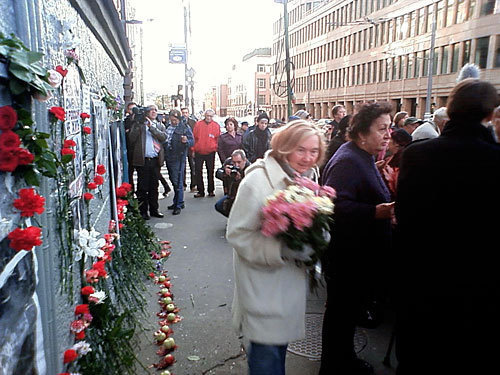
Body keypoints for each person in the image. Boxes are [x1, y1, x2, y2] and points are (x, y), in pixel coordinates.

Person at [394, 79, 500, 375]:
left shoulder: (418, 154)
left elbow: (405, 213)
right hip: (475, 285)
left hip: (421, 276)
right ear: (488, 115)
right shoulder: (493, 159)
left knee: (417, 355)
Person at [226, 120, 325, 375]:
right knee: (266, 359)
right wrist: (280, 250)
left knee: (277, 351)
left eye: (314, 151)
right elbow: (237, 234)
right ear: (284, 147)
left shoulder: (306, 177)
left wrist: (318, 236)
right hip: (262, 287)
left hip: (288, 285)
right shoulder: (257, 181)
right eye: (300, 149)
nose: (307, 157)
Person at [320, 102, 394, 375]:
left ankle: (343, 359)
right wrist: (376, 211)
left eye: (390, 128)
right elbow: (336, 206)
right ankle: (334, 366)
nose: (388, 134)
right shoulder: (349, 160)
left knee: (346, 315)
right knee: (341, 315)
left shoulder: (360, 155)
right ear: (362, 133)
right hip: (348, 256)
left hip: (355, 255)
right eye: (382, 129)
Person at [128, 105, 167, 220]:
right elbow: (131, 138)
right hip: (143, 161)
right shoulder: (139, 124)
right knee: (142, 188)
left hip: (155, 160)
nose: (154, 112)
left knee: (154, 187)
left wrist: (151, 128)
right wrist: (139, 125)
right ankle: (143, 211)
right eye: (152, 110)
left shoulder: (159, 125)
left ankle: (154, 209)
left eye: (156, 110)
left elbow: (163, 137)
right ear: (146, 112)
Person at [163, 109, 194, 215]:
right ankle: (177, 201)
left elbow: (192, 141)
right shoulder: (168, 127)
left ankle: (179, 204)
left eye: (175, 120)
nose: (174, 122)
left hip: (178, 157)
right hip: (169, 156)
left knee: (178, 182)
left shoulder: (184, 128)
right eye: (172, 120)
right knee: (173, 179)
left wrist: (186, 141)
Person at [192, 109, 220, 197]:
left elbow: (217, 139)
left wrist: (215, 148)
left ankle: (211, 190)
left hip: (210, 152)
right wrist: (193, 150)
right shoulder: (198, 124)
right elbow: (194, 138)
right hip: (199, 151)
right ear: (205, 116)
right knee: (198, 171)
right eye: (207, 116)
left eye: (211, 116)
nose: (209, 118)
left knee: (210, 171)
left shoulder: (216, 126)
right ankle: (201, 191)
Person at [378, 128, 412, 199]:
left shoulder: (398, 162)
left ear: (396, 144)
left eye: (390, 139)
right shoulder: (392, 158)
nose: (387, 142)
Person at [214, 149, 250, 217]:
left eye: (239, 162)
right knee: (219, 205)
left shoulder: (249, 168)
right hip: (231, 194)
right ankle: (232, 218)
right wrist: (225, 172)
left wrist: (240, 180)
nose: (236, 165)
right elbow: (217, 173)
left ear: (244, 160)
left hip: (245, 196)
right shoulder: (228, 162)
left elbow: (250, 187)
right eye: (234, 162)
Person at [181, 107, 197, 192]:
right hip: (182, 148)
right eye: (183, 112)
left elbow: (195, 136)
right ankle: (183, 184)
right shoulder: (179, 122)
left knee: (193, 167)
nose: (184, 114)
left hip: (191, 147)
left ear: (188, 113)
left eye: (186, 112)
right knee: (182, 167)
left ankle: (193, 185)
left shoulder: (193, 122)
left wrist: (194, 148)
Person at [124, 102, 137, 190]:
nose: (133, 111)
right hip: (130, 149)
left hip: (139, 149)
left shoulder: (140, 120)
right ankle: (131, 191)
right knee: (130, 172)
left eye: (134, 109)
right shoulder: (127, 120)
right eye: (131, 109)